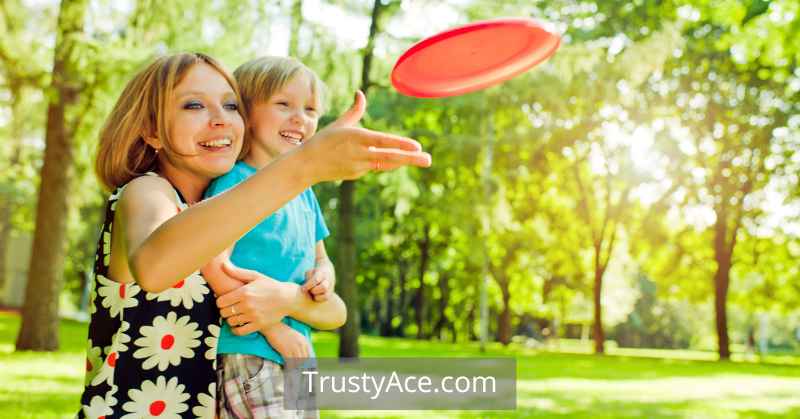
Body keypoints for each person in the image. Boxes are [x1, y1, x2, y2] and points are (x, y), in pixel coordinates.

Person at [77, 52, 431, 418]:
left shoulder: (234, 206)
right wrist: (303, 165)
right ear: (152, 131)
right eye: (194, 105)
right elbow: (154, 267)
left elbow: (334, 311)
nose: (220, 120)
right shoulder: (147, 192)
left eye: (231, 106)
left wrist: (289, 299)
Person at [201, 56, 337, 418]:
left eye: (310, 109)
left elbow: (320, 256)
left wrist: (324, 276)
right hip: (251, 348)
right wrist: (274, 329)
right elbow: (212, 263)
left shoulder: (305, 193)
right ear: (246, 112)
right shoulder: (235, 184)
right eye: (284, 104)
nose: (300, 118)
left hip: (299, 353)